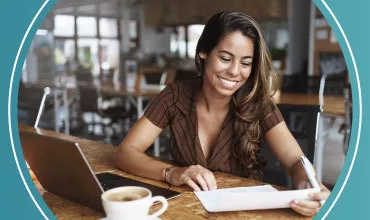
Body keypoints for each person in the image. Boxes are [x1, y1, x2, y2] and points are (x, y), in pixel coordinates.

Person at [116, 11, 330, 216]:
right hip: (186, 210)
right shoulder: (175, 96)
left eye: (245, 63)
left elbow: (295, 162)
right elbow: (127, 152)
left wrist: (309, 185)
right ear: (204, 52)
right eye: (225, 58)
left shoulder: (259, 104)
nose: (235, 71)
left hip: (245, 214)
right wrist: (171, 172)